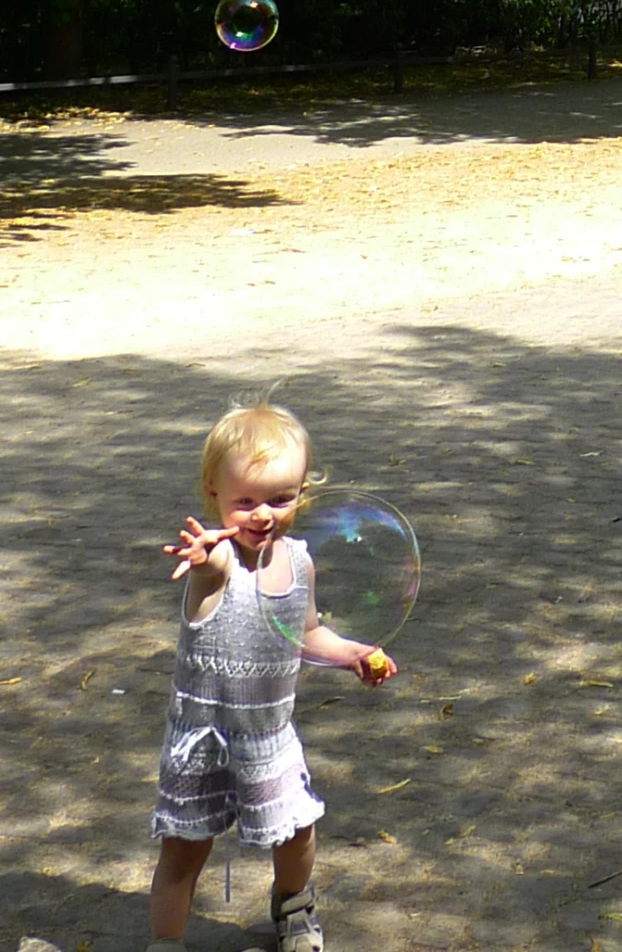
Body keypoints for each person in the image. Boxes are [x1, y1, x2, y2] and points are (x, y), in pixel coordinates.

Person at [149, 401, 397, 952]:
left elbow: (306, 634)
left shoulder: (300, 561)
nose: (263, 514)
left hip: (268, 733)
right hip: (202, 738)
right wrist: (204, 560)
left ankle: (294, 910)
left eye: (281, 499)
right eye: (246, 501)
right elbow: (212, 581)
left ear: (303, 493)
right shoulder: (214, 564)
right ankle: (166, 941)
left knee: (296, 830)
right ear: (213, 494)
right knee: (185, 847)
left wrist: (353, 652)